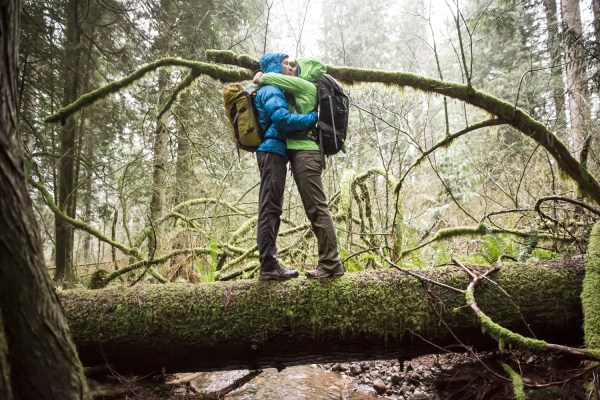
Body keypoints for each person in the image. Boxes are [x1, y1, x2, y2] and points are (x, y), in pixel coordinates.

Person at [253, 57, 344, 279]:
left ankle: (331, 264)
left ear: (305, 71)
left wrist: (262, 76)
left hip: (306, 153)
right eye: (288, 65)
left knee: (316, 208)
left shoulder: (305, 85)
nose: (291, 70)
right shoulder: (284, 90)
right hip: (297, 153)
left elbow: (276, 79)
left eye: (295, 67)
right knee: (310, 208)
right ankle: (326, 263)